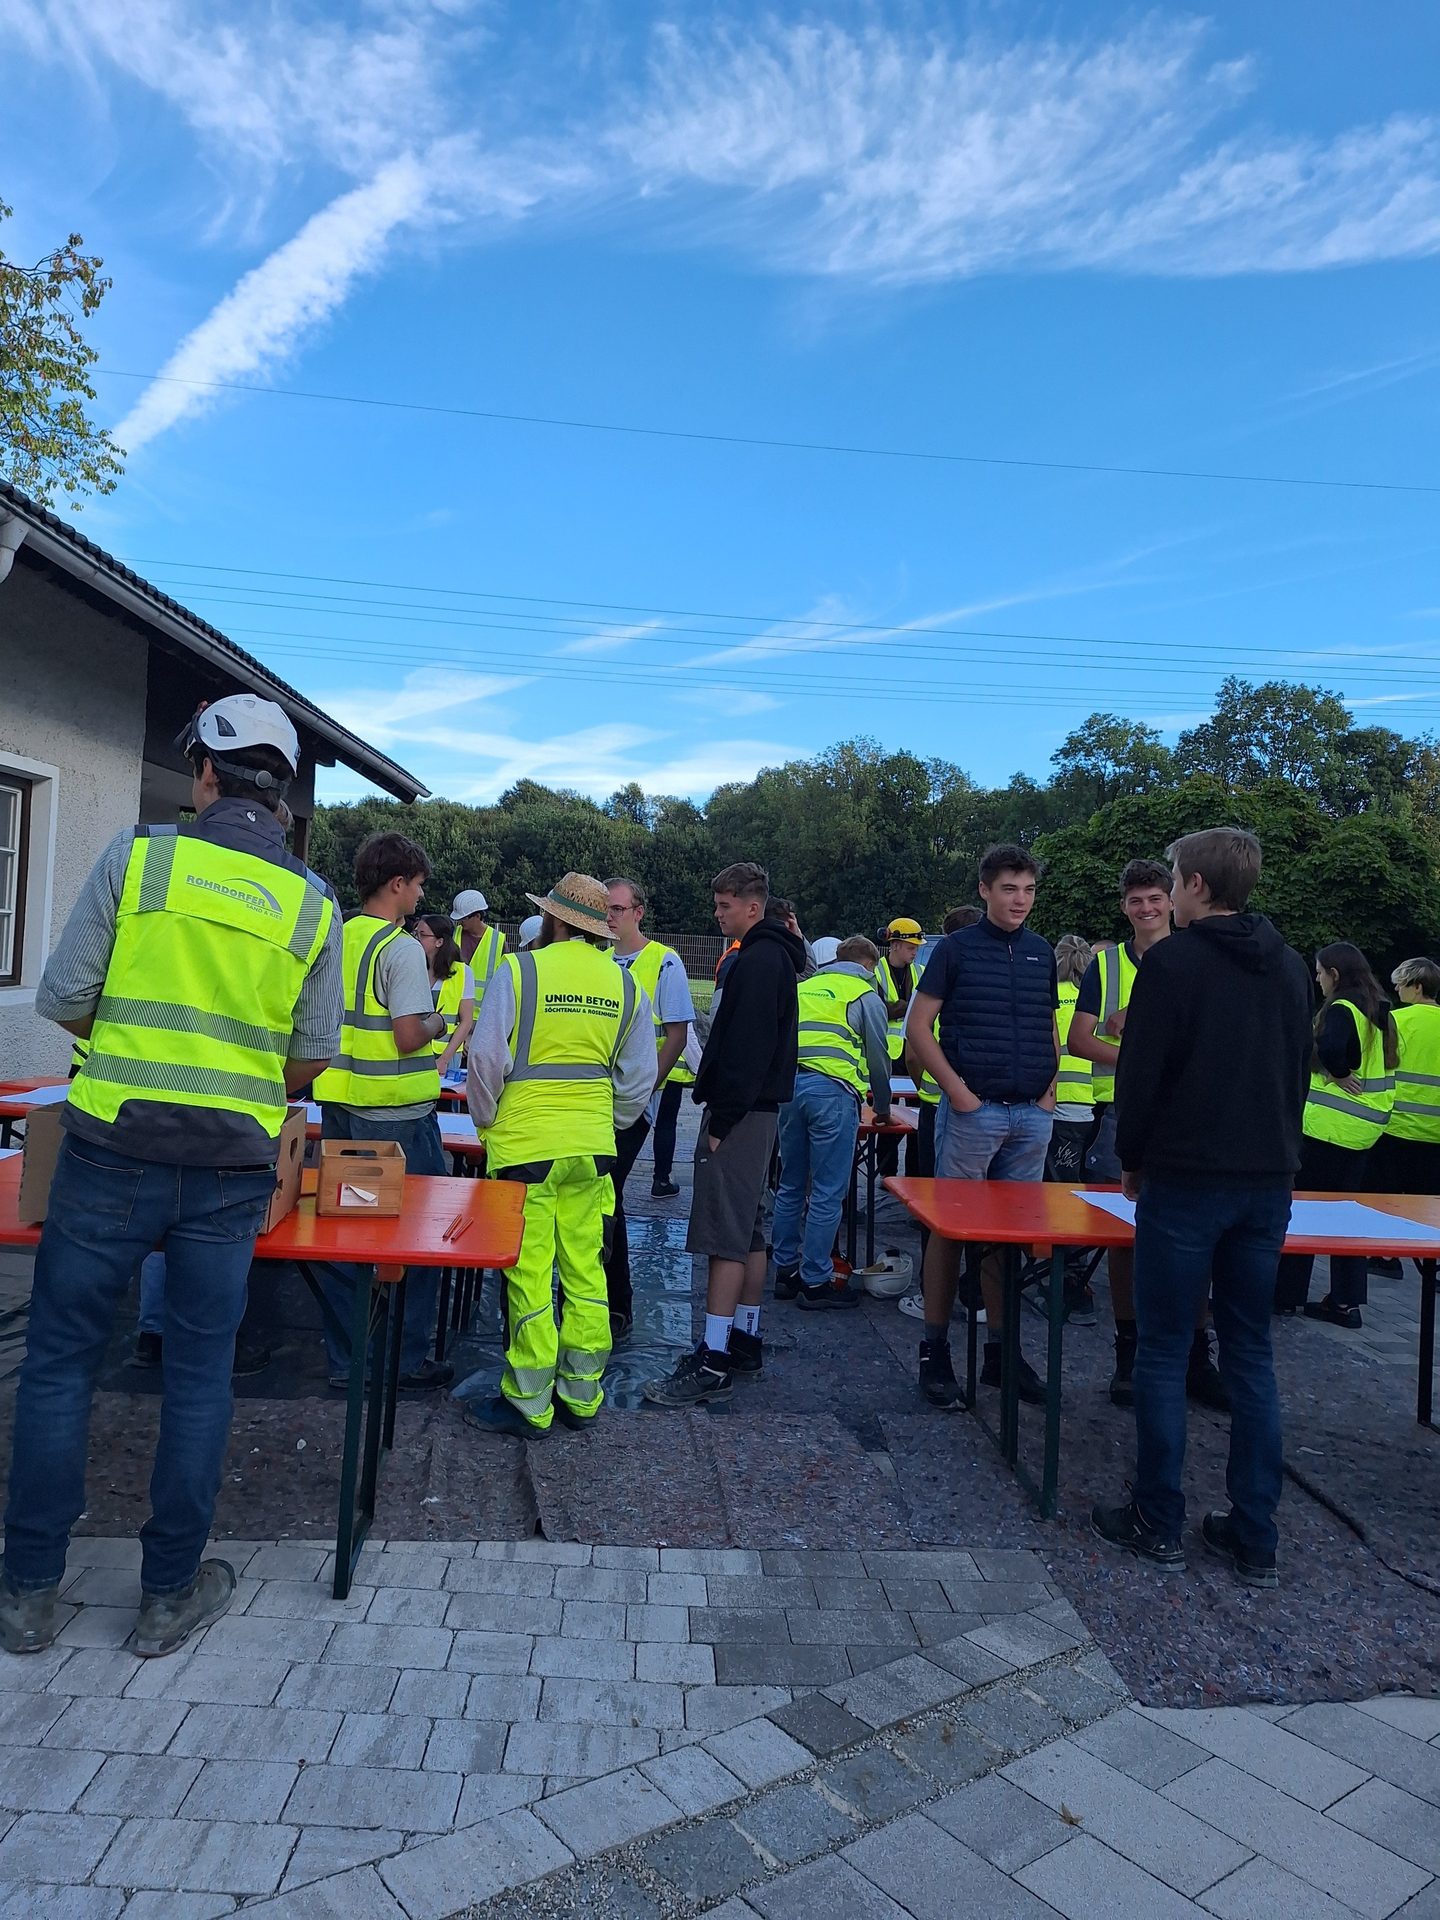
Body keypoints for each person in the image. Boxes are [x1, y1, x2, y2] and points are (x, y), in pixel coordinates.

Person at [1, 694, 341, 1658]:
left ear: (204, 776)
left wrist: (129, 1053)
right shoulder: (313, 906)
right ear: (283, 795)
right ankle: (166, 1596)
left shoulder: (139, 858)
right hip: (230, 1171)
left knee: (61, 1363)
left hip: (110, 1148)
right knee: (199, 1378)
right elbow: (309, 1060)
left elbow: (65, 994)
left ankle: (26, 1595)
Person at [1091, 828, 1312, 1585]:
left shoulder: (1171, 963)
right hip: (1268, 1180)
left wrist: (1132, 1163)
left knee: (1161, 1348)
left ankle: (1159, 1518)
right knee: (1251, 1353)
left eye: (1176, 879)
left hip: (1185, 1179)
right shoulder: (1289, 966)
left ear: (1193, 887)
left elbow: (1143, 1077)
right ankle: (1255, 1532)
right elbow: (1297, 1072)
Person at [464, 872, 654, 1435]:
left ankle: (528, 1400)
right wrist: (606, 1125)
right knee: (586, 1270)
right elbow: (639, 1079)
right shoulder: (625, 986)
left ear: (553, 918)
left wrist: (488, 1122)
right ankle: (580, 1394)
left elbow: (484, 1062)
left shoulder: (519, 971)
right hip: (594, 1151)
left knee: (527, 1276)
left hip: (524, 1148)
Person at [1067, 859, 1227, 1411]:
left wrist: (1144, 1051)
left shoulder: (1200, 954)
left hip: (1187, 1113)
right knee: (1122, 1232)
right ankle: (1128, 1352)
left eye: (1156, 898)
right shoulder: (1107, 964)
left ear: (1172, 898)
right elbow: (1079, 1040)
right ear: (1125, 907)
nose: (1147, 909)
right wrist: (1143, 1062)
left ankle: (1196, 1355)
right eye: (1136, 901)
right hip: (1122, 1109)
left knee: (1197, 1235)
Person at [644, 862, 805, 1406]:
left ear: (752, 907)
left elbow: (747, 1050)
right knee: (749, 1229)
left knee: (722, 1233)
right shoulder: (773, 956)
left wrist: (724, 1121)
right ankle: (744, 1339)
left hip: (741, 1115)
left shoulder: (758, 961)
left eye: (724, 905)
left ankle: (712, 1359)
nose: (717, 915)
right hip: (759, 1114)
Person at [904, 847, 1058, 1408]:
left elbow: (1047, 1027)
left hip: (1030, 1114)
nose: (1020, 899)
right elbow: (918, 1027)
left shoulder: (1042, 953)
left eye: (1028, 890)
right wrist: (959, 1093)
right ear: (985, 891)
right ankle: (935, 1349)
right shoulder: (957, 951)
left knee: (1009, 1238)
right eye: (1010, 889)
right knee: (950, 1228)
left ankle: (1001, 1351)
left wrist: (1050, 1089)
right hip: (977, 1111)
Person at [313, 833, 454, 1393]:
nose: (420, 896)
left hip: (339, 1105)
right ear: (398, 883)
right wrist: (440, 1023)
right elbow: (406, 1036)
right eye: (418, 885)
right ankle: (405, 1357)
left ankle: (348, 1362)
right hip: (394, 1117)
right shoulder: (399, 950)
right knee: (418, 1238)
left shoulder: (336, 936)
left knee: (343, 1234)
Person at [1273, 942, 1398, 1327]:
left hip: (1326, 1129)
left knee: (1303, 1212)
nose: (1317, 978)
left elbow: (1327, 1047)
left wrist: (1338, 1072)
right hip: (1364, 1131)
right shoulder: (1380, 1009)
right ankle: (1346, 1302)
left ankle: (1285, 1295)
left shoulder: (1342, 1007)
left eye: (1320, 972)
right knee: (1347, 1220)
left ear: (1336, 975)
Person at [772, 936, 891, 1308]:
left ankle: (785, 1271)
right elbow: (879, 1060)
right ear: (870, 966)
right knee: (827, 1190)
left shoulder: (803, 988)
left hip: (790, 1090)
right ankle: (816, 1280)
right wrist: (883, 1108)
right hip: (833, 1093)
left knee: (791, 1183)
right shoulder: (864, 995)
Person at [603, 878, 697, 1338]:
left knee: (608, 1191)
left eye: (619, 908)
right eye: (606, 908)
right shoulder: (598, 958)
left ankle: (617, 1303)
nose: (610, 916)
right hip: (598, 1099)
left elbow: (676, 1036)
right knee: (605, 1195)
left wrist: (643, 1092)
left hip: (636, 1102)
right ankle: (607, 1299)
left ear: (639, 912)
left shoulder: (664, 962)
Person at [899, 905, 980, 1321]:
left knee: (938, 1208)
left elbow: (914, 1049)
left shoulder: (936, 978)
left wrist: (930, 1086)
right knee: (988, 1207)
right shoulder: (997, 974)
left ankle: (935, 1301)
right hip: (991, 1106)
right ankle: (980, 1294)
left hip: (940, 1107)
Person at [1045, 933, 1099, 1324]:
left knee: (1053, 1191)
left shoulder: (1049, 997)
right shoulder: (1096, 998)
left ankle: (1063, 1277)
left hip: (1050, 1101)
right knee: (1080, 1190)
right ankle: (1076, 1276)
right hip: (1091, 1105)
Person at [1375, 957, 1440, 1196]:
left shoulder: (1395, 1021)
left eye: (1401, 983)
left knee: (1386, 1207)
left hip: (1395, 1129)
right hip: (1435, 1135)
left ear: (1417, 987)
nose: (1396, 988)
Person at [876, 918, 923, 1179]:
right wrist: (908, 1006)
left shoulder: (921, 971)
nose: (915, 951)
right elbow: (878, 1008)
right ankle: (886, 1173)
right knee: (887, 1114)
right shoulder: (876, 971)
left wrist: (898, 1007)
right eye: (910, 946)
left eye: (916, 947)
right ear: (894, 944)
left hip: (915, 1051)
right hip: (889, 1054)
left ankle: (914, 1175)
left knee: (919, 1116)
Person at [415, 913, 474, 1078]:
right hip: (414, 1053)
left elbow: (466, 1021)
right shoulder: (413, 967)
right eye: (416, 934)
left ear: (439, 941)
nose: (417, 939)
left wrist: (444, 1059)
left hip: (446, 1056)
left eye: (423, 935)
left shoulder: (463, 973)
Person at [451, 889, 506, 1013]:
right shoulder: (453, 935)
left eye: (464, 918)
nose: (460, 921)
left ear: (477, 916)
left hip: (483, 1015)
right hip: (454, 1011)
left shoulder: (498, 941)